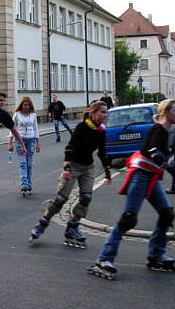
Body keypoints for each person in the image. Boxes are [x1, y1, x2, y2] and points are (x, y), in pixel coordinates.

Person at [90, 99, 175, 278]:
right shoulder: (157, 130)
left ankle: (156, 254)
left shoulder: (168, 131)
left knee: (166, 214)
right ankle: (104, 258)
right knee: (128, 219)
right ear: (167, 113)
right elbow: (154, 152)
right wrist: (174, 172)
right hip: (140, 176)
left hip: (151, 177)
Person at [29, 101, 111, 247]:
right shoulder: (82, 127)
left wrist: (107, 171)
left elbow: (103, 152)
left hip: (88, 167)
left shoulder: (101, 131)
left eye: (106, 112)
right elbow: (70, 147)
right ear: (93, 113)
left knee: (86, 197)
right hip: (73, 165)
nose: (105, 115)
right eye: (103, 112)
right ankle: (42, 224)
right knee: (61, 199)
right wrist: (66, 167)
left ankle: (72, 228)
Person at [8, 97, 40, 194]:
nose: (26, 107)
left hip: (31, 140)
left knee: (29, 163)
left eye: (28, 105)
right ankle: (24, 184)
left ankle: (29, 183)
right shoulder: (17, 115)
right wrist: (10, 143)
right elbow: (12, 128)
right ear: (22, 105)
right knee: (23, 163)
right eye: (25, 105)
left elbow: (36, 129)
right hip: (20, 140)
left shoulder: (33, 115)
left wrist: (38, 143)